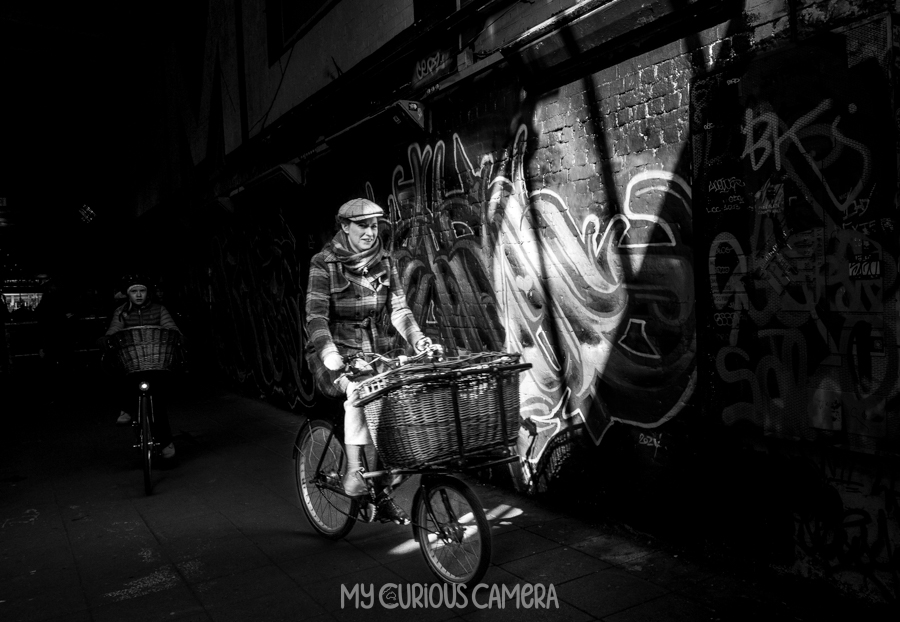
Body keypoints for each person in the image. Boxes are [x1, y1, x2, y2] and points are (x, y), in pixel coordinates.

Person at [305, 198, 434, 525]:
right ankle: (352, 472)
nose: (369, 231)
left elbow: (400, 310)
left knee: (396, 403)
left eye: (374, 225)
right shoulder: (324, 263)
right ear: (345, 226)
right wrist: (329, 352)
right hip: (334, 353)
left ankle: (380, 490)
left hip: (378, 351)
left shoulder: (385, 260)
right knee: (361, 393)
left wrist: (417, 338)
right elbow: (316, 317)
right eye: (362, 225)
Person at [101, 274, 182, 460]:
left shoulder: (159, 310)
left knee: (158, 403)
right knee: (119, 376)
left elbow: (170, 327)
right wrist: (107, 338)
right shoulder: (122, 312)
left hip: (156, 361)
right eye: (134, 291)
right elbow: (115, 328)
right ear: (128, 295)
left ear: (148, 293)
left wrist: (178, 336)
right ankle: (126, 408)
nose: (138, 295)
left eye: (142, 291)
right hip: (132, 360)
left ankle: (166, 442)